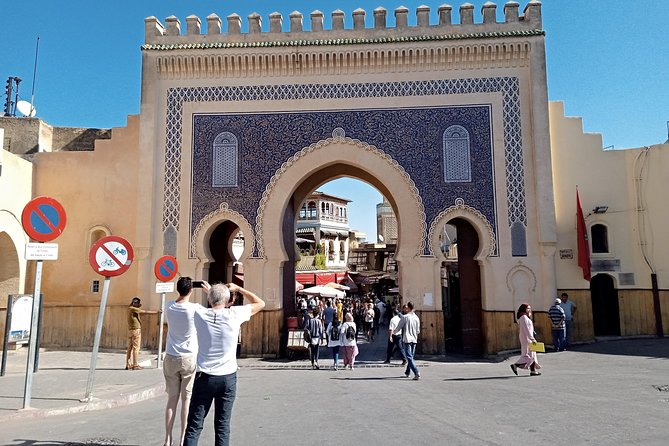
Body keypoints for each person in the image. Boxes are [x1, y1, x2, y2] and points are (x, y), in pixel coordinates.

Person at [183, 283, 265, 446]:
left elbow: (185, 301)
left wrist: (211, 293)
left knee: (194, 426)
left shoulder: (199, 313)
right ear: (228, 300)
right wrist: (239, 289)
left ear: (209, 299)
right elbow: (260, 303)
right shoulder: (234, 314)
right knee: (222, 426)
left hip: (204, 377)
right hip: (227, 378)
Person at [162, 277, 205, 446]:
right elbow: (214, 307)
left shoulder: (169, 306)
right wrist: (207, 290)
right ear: (191, 290)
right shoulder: (194, 309)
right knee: (186, 400)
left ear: (178, 289)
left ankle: (167, 439)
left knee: (171, 399)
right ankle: (182, 440)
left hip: (171, 357)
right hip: (189, 358)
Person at [125, 297, 158, 370]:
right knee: (136, 348)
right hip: (136, 330)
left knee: (130, 348)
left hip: (131, 330)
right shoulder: (133, 309)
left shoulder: (129, 308)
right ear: (136, 303)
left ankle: (128, 364)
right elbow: (145, 312)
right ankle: (135, 365)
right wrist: (157, 312)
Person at [510, 303, 542, 376]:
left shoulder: (525, 317)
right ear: (524, 309)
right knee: (527, 355)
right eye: (527, 308)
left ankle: (533, 371)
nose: (529, 310)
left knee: (532, 354)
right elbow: (526, 329)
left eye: (529, 308)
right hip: (526, 338)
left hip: (528, 337)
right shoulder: (523, 317)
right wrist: (532, 338)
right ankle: (516, 365)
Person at [393, 302, 421, 380]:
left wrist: (393, 333)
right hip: (414, 339)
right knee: (411, 356)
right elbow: (418, 330)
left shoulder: (405, 317)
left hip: (407, 339)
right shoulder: (417, 318)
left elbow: (398, 328)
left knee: (409, 357)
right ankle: (408, 372)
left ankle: (416, 372)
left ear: (408, 308)